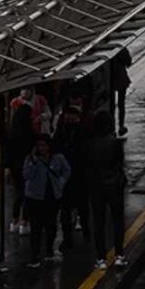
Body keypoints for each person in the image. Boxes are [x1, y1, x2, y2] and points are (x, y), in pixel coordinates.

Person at [22, 135, 71, 268]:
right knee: (36, 228)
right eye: (39, 146)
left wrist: (60, 183)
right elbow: (26, 175)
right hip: (35, 197)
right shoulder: (31, 159)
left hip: (52, 197)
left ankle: (48, 249)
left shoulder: (58, 158)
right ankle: (35, 255)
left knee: (51, 225)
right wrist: (33, 160)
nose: (41, 148)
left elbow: (67, 170)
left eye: (44, 145)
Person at [88, 111, 127, 269]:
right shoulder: (115, 143)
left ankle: (101, 258)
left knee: (99, 222)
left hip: (97, 186)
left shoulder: (90, 143)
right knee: (117, 221)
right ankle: (119, 254)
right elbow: (120, 162)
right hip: (114, 185)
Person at [54, 105, 91, 249]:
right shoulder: (62, 132)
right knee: (67, 210)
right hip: (68, 177)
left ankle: (84, 232)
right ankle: (69, 237)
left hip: (78, 176)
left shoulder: (80, 132)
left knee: (79, 208)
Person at [6, 103, 35, 236]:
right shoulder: (29, 132)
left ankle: (14, 220)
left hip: (14, 166)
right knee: (27, 193)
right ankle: (25, 221)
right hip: (27, 165)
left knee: (18, 193)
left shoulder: (12, 132)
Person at [108, 48, 132, 137]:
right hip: (121, 78)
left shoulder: (107, 50)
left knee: (111, 105)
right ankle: (121, 125)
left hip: (110, 79)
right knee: (121, 104)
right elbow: (128, 63)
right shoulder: (122, 49)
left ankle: (112, 127)